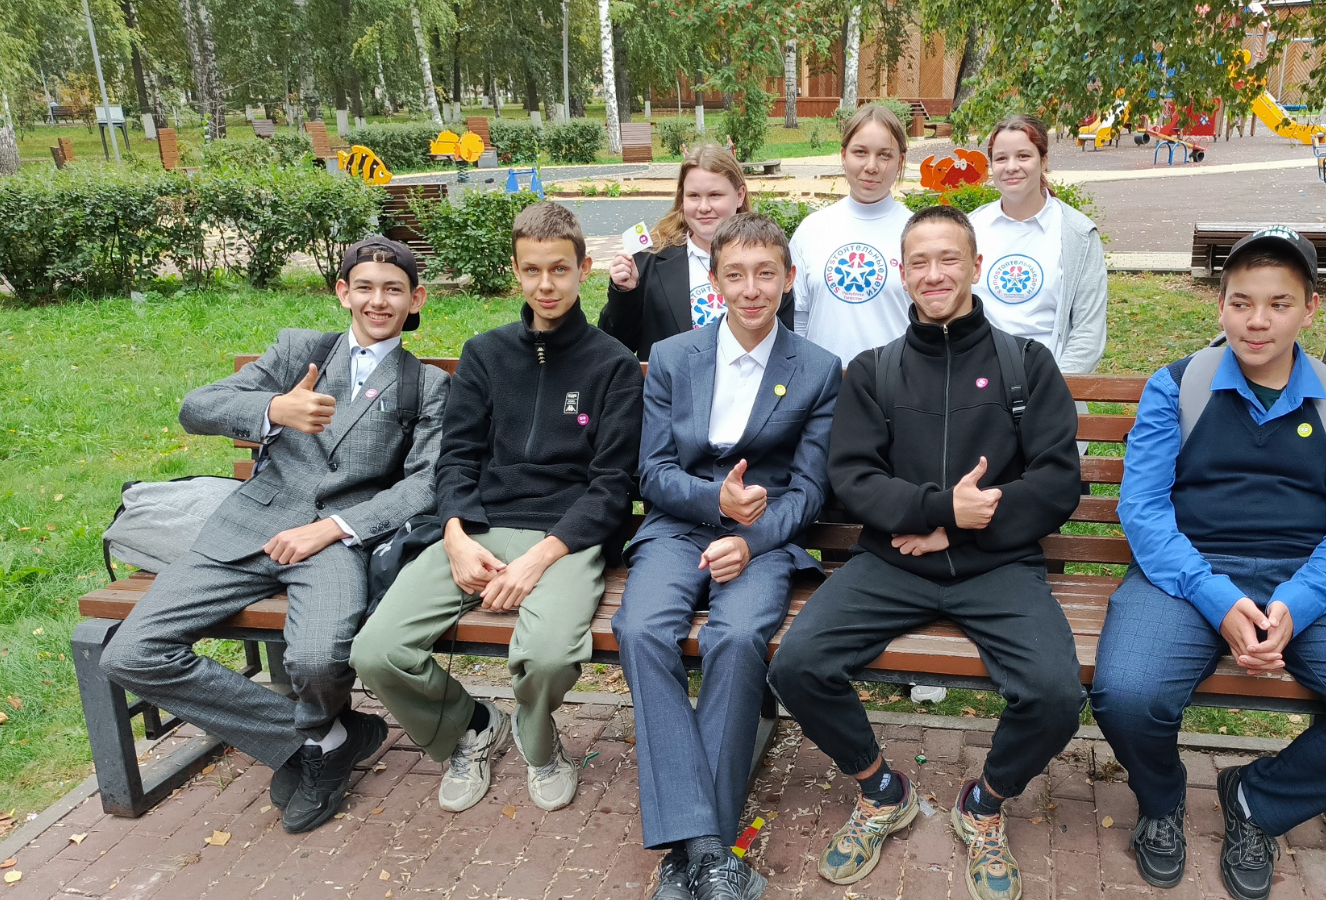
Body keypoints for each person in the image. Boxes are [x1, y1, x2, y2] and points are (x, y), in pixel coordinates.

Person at [1090, 228, 1326, 900]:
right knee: (1128, 693)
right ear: (1221, 306)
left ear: (1310, 309)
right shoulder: (1178, 387)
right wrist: (1217, 598)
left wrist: (1295, 605)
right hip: (1187, 572)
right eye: (1242, 302)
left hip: (1306, 575)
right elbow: (1144, 511)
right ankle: (1162, 803)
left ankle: (1256, 800)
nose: (1258, 321)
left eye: (1278, 304)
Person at [767, 206, 1086, 900]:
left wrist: (962, 530)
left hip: (997, 564)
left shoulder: (1026, 365)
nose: (935, 274)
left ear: (975, 266)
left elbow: (1059, 479)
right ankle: (880, 788)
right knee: (796, 666)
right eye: (920, 262)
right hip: (893, 562)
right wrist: (940, 511)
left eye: (949, 259)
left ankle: (985, 802)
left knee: (1057, 694)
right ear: (901, 272)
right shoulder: (875, 370)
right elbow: (853, 477)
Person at [100, 236, 450, 834]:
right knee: (130, 654)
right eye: (365, 287)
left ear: (414, 300)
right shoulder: (299, 352)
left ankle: (314, 742)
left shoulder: (427, 385)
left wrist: (332, 529)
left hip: (334, 541)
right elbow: (197, 407)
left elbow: (425, 483)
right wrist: (272, 410)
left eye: (393, 290)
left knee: (317, 659)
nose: (378, 300)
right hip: (247, 527)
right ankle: (324, 740)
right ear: (342, 293)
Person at [351, 203, 644, 816]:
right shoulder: (484, 354)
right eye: (532, 270)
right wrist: (455, 535)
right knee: (375, 651)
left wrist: (539, 559)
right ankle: (472, 726)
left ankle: (538, 742)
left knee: (548, 656)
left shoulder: (613, 364)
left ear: (584, 269)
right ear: (515, 270)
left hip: (564, 538)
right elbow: (456, 457)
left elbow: (611, 485)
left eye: (559, 269)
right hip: (479, 528)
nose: (546, 285)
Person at [613, 213, 841, 900]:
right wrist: (716, 502)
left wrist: (749, 538)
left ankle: (686, 854)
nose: (751, 289)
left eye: (765, 274)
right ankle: (710, 849)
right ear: (713, 281)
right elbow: (652, 472)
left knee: (738, 637)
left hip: (763, 539)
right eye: (735, 274)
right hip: (678, 527)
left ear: (788, 279)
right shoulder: (674, 356)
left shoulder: (818, 369)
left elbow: (809, 490)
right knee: (641, 628)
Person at [600, 145, 793, 360]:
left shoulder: (769, 258)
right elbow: (616, 344)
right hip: (672, 382)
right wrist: (625, 293)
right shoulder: (648, 260)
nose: (703, 207)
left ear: (739, 195)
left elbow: (785, 344)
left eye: (715, 195)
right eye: (693, 196)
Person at [970, 114, 1108, 377]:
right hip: (979, 383)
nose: (1011, 167)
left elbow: (1088, 333)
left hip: (1050, 383)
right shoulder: (970, 229)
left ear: (1044, 160)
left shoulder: (1078, 234)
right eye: (1001, 158)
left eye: (1023, 156)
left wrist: (1051, 388)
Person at [790, 104, 914, 365]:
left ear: (900, 161)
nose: (871, 166)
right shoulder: (812, 230)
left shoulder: (916, 233)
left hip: (896, 380)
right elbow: (799, 317)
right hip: (824, 382)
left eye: (884, 155)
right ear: (843, 155)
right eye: (860, 152)